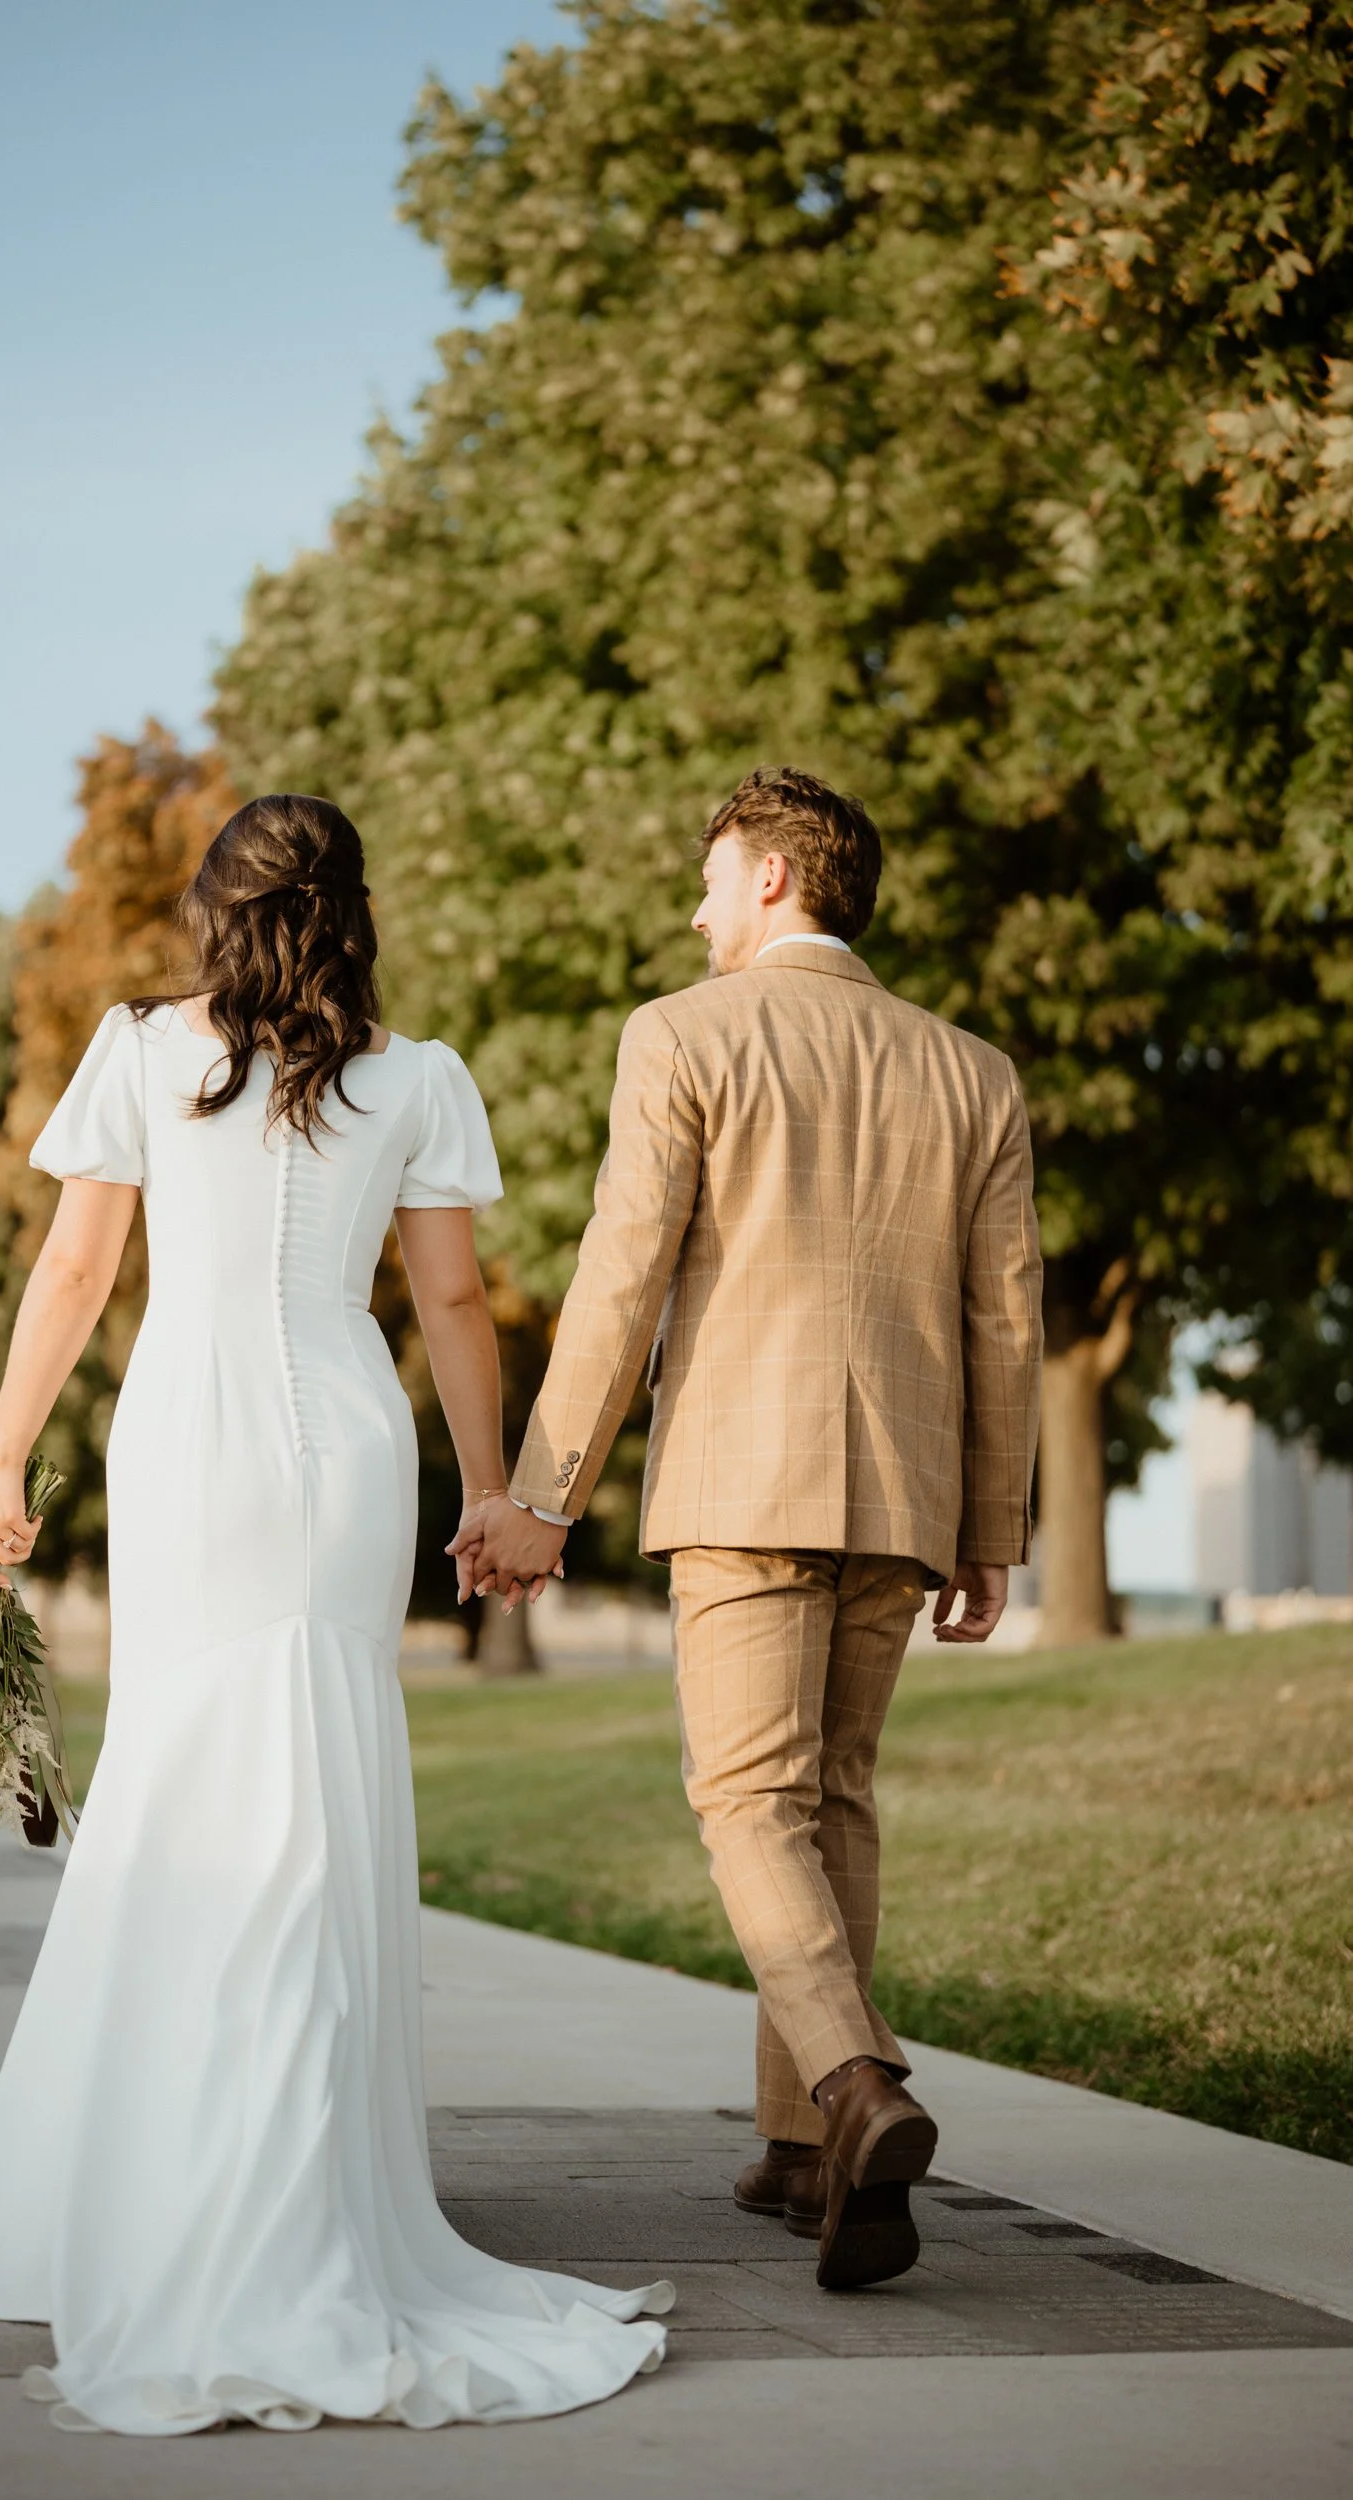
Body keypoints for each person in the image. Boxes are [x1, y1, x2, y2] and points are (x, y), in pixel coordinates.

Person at [0, 794, 671, 2435]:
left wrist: (3, 1455)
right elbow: (450, 1297)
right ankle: (311, 2190)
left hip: (185, 1443)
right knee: (314, 1794)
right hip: (344, 1449)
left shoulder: (138, 1052)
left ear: (212, 907)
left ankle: (139, 2186)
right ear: (353, 910)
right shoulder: (419, 1074)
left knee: (184, 1782)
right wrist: (495, 1491)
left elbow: (72, 1275)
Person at [456, 766, 1043, 2294]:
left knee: (744, 1801)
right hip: (906, 1493)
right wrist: (991, 1528)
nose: (694, 906)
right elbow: (1005, 1319)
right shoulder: (974, 1071)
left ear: (774, 878)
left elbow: (620, 1270)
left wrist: (540, 1494)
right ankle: (797, 2153)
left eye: (711, 876)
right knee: (829, 1797)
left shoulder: (682, 1033)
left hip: (741, 1479)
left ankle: (855, 2087)